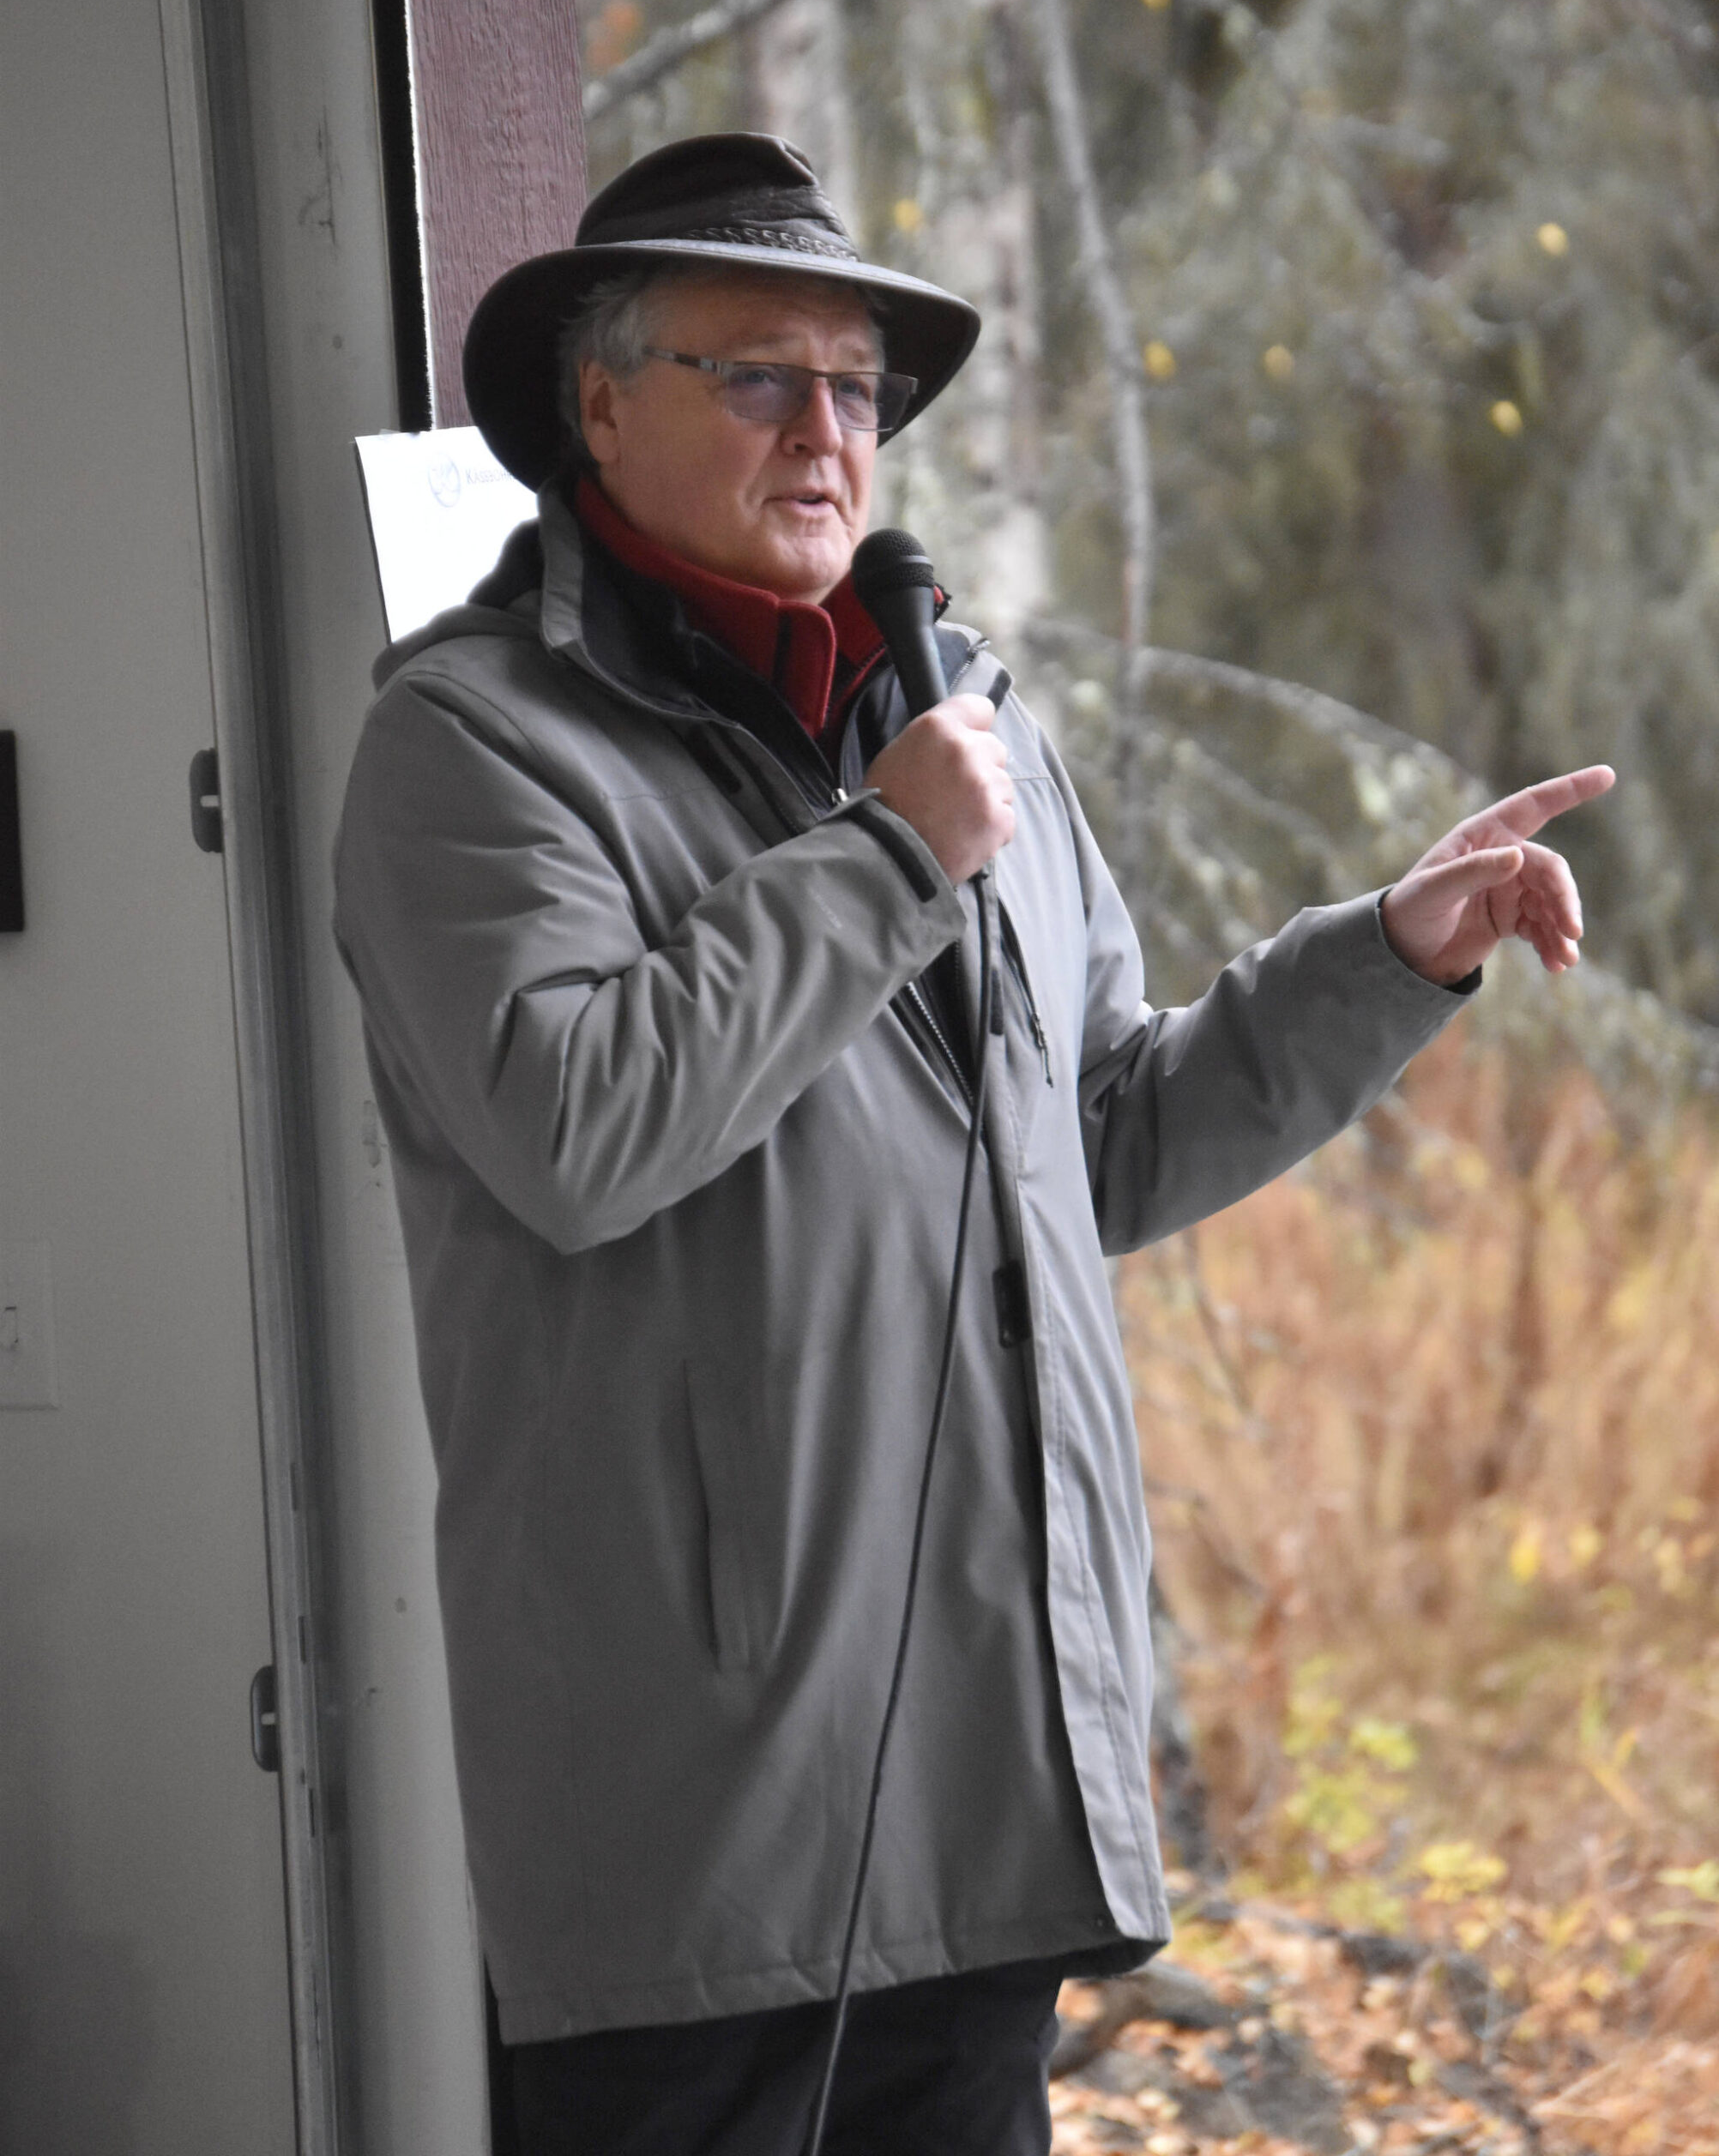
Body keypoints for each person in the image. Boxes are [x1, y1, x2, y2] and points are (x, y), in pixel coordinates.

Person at [333, 132, 1612, 2155]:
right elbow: (575, 1126)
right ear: (597, 401)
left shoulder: (955, 716)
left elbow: (1095, 1137)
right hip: (704, 1846)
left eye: (858, 389)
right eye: (759, 377)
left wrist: (1377, 959)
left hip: (988, 1807)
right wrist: (891, 855)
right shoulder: (475, 746)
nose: (826, 431)